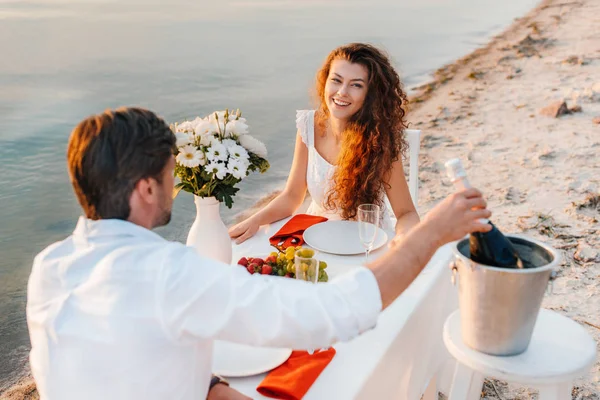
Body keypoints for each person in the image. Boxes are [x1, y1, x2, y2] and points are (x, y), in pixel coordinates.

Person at [26, 107, 492, 400]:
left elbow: (119, 357)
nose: (174, 186)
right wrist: (431, 232)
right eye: (170, 173)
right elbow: (337, 311)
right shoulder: (170, 274)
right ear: (146, 188)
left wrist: (211, 388)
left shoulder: (49, 266)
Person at [229, 43, 419, 244]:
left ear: (370, 94)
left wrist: (404, 238)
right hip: (315, 236)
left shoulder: (380, 139)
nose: (342, 92)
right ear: (325, 81)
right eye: (336, 80)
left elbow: (406, 213)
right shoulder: (308, 126)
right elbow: (292, 196)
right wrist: (254, 220)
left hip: (367, 241)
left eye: (356, 85)